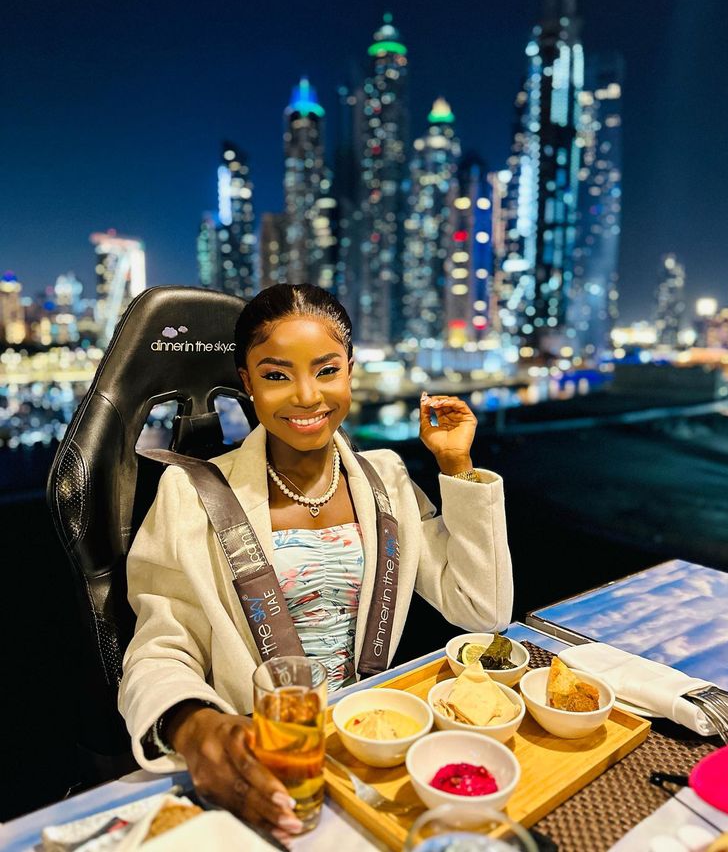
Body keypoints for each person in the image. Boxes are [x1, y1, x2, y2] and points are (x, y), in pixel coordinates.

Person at [119, 283, 513, 841]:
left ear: (350, 370)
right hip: (259, 763)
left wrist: (458, 468)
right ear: (247, 382)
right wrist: (193, 723)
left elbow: (483, 606)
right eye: (277, 375)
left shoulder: (387, 481)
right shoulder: (192, 493)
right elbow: (160, 649)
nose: (307, 396)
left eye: (326, 370)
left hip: (370, 744)